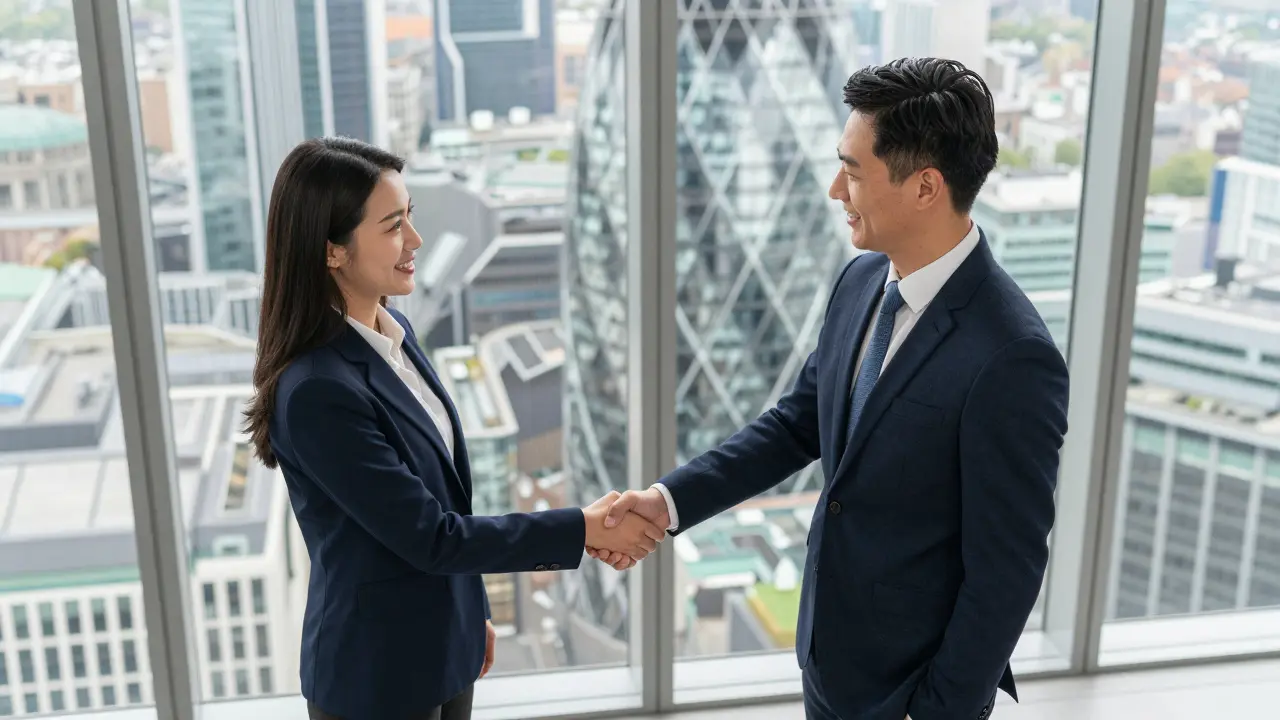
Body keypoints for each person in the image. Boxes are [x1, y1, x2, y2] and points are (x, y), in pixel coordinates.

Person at [592, 58, 1070, 720]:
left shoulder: (1013, 358)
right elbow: (797, 424)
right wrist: (667, 503)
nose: (833, 190)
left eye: (852, 171)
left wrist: (937, 710)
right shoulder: (863, 280)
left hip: (911, 692)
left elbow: (1007, 570)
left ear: (926, 187)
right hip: (830, 660)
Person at [244, 137, 665, 720]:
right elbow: (430, 536)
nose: (415, 240)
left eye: (410, 216)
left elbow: (441, 496)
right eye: (393, 226)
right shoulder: (318, 390)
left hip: (445, 646)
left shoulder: (395, 335)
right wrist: (582, 529)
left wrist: (470, 613)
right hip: (376, 679)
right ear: (332, 251)